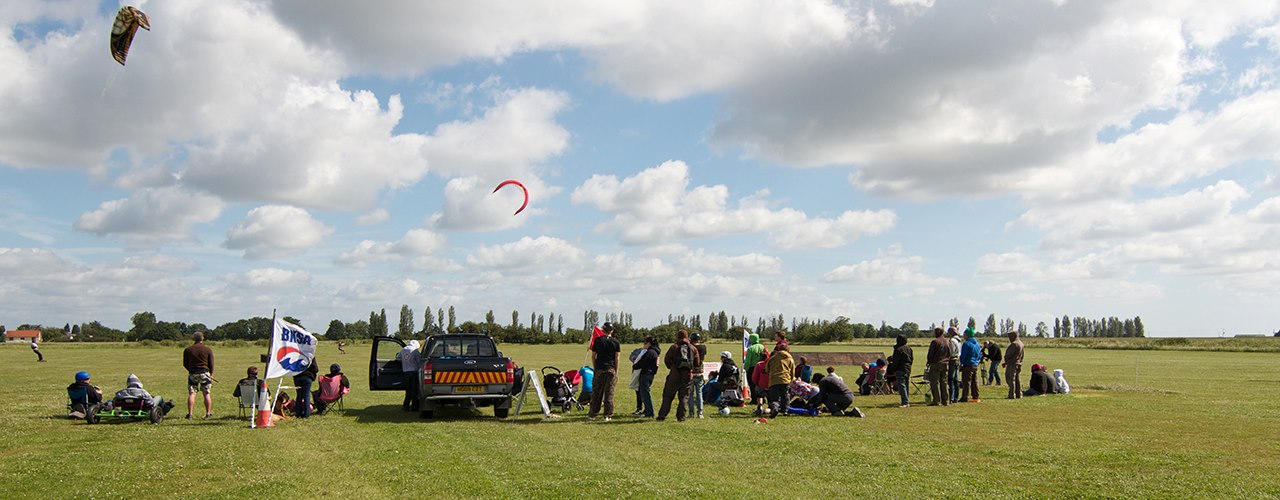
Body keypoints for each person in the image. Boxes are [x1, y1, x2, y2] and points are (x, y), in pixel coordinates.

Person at [657, 330, 701, 422]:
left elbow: (666, 359)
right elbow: (697, 363)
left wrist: (672, 367)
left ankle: (662, 415)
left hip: (674, 376)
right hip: (687, 377)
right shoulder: (693, 348)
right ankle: (681, 417)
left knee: (668, 396)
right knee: (684, 398)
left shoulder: (674, 347)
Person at [587, 322, 621, 421]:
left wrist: (595, 367)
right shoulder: (615, 342)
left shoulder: (597, 340)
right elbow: (617, 357)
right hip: (610, 369)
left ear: (603, 330)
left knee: (597, 392)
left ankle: (593, 414)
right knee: (609, 392)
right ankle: (607, 415)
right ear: (612, 331)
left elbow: (593, 356)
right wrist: (616, 370)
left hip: (599, 368)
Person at [183, 331, 215, 419]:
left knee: (192, 393)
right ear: (202, 338)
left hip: (193, 373)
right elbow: (211, 364)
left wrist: (191, 370)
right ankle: (208, 414)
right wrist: (211, 374)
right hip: (205, 373)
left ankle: (190, 414)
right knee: (206, 393)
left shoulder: (188, 350)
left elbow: (185, 363)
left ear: (193, 339)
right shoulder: (208, 349)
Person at [630, 337, 660, 418]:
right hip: (650, 374)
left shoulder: (650, 352)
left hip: (646, 374)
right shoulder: (655, 352)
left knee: (645, 394)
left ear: (649, 343)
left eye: (645, 343)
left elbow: (642, 362)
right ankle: (647, 411)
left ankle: (649, 413)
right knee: (645, 393)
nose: (644, 345)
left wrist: (635, 366)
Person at [765, 343, 795, 418]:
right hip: (785, 380)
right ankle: (785, 411)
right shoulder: (790, 359)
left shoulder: (772, 358)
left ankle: (775, 408)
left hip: (774, 380)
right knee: (785, 396)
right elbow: (792, 371)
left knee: (775, 398)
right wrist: (790, 380)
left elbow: (766, 369)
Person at [887, 334, 913, 408]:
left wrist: (893, 369)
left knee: (901, 385)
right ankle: (905, 400)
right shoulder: (909, 348)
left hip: (900, 368)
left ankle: (905, 402)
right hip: (907, 368)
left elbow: (896, 361)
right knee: (906, 384)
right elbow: (911, 359)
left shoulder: (898, 349)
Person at [687, 332, 709, 418]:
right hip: (700, 371)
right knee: (699, 393)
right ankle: (700, 413)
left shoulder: (690, 348)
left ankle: (691, 413)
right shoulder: (703, 347)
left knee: (690, 394)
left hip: (691, 372)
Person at [926, 328, 950, 406]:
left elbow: (931, 354)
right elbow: (949, 352)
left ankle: (936, 400)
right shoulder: (947, 341)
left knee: (934, 382)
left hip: (936, 364)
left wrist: (929, 362)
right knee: (944, 382)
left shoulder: (935, 342)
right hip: (945, 363)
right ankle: (945, 400)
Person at [743, 333, 768, 405]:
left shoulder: (751, 348)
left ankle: (754, 400)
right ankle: (762, 398)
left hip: (752, 368)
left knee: (752, 384)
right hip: (762, 367)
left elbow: (748, 360)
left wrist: (746, 368)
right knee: (761, 384)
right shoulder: (763, 347)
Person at [959, 327, 982, 403]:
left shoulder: (966, 344)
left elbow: (963, 355)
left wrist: (961, 363)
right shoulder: (977, 344)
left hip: (968, 364)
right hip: (975, 364)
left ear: (967, 335)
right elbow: (979, 355)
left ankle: (965, 397)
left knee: (966, 381)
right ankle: (975, 395)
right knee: (974, 381)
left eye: (964, 334)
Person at [398, 340, 421, 411]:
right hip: (414, 373)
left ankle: (405, 406)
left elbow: (398, 358)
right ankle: (415, 407)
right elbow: (419, 361)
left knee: (408, 391)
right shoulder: (415, 351)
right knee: (414, 391)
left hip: (406, 373)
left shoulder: (403, 350)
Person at [1003, 330, 1025, 399]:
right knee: (1017, 379)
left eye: (1010, 337)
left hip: (1012, 364)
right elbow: (1022, 355)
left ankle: (1012, 394)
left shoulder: (1014, 344)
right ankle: (1019, 394)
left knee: (1010, 379)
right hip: (1018, 363)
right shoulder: (1021, 343)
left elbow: (1008, 355)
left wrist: (1006, 362)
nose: (1009, 338)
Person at [946, 327, 961, 404]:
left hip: (952, 360)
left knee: (951, 379)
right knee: (956, 379)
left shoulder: (952, 340)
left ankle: (951, 397)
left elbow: (951, 352)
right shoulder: (959, 340)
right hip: (958, 360)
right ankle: (956, 397)